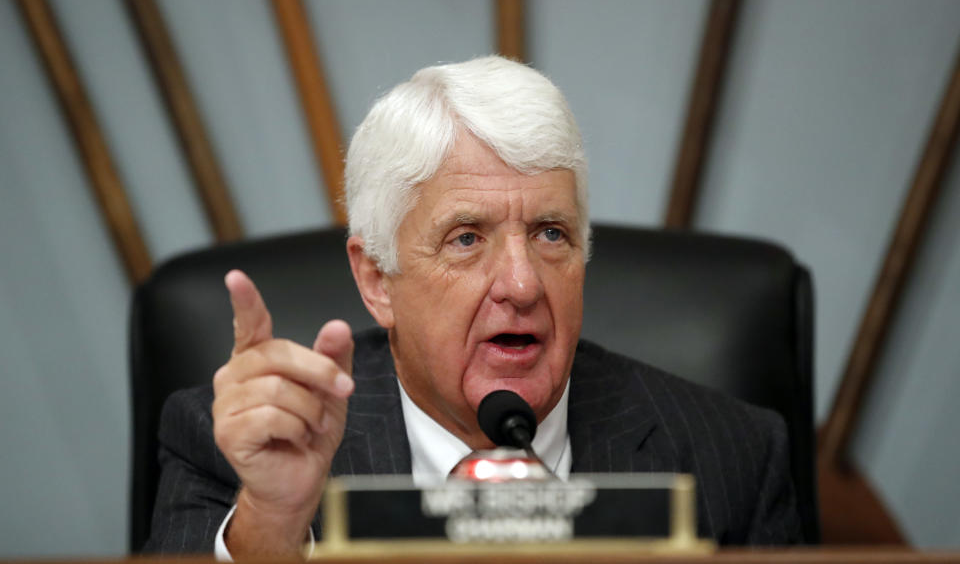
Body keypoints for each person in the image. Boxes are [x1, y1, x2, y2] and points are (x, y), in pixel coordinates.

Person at [145, 56, 803, 556]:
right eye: (467, 239)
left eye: (552, 234)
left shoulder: (735, 455)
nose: (521, 284)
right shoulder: (231, 449)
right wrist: (275, 523)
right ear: (376, 279)